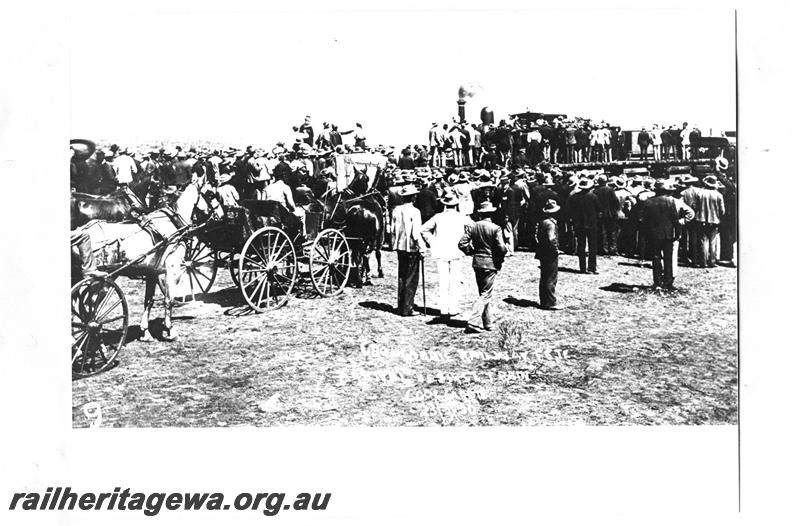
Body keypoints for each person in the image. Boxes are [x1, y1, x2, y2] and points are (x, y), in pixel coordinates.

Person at [420, 189, 471, 318]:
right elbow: (474, 228)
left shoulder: (438, 217)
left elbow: (423, 229)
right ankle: (453, 308)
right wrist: (467, 241)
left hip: (441, 252)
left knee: (443, 281)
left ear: (444, 204)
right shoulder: (462, 217)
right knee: (454, 280)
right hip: (457, 251)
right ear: (456, 204)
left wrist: (432, 242)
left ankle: (443, 309)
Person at [458, 200, 507, 333]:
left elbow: (462, 244)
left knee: (483, 292)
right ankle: (473, 322)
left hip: (477, 262)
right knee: (486, 294)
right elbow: (502, 248)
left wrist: (471, 252)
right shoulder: (496, 228)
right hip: (490, 263)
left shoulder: (473, 226)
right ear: (491, 213)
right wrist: (501, 255)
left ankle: (487, 322)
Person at [641, 180, 695, 289]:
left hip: (654, 234)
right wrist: (678, 231)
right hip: (668, 234)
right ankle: (668, 282)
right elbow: (674, 219)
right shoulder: (671, 201)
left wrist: (647, 233)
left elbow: (645, 220)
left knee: (656, 257)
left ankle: (657, 282)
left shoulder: (648, 202)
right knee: (668, 258)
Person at [391, 185, 426, 316]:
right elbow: (416, 233)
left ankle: (401, 306)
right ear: (413, 197)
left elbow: (392, 229)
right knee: (411, 278)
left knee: (402, 275)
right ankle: (407, 308)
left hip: (400, 246)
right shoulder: (415, 211)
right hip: (411, 247)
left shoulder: (396, 210)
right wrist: (421, 247)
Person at [567, 178, 600, 274]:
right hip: (591, 224)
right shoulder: (593, 197)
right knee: (592, 246)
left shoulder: (574, 197)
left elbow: (570, 210)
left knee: (581, 246)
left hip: (579, 224)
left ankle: (582, 268)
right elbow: (599, 209)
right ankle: (592, 268)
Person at [536, 199, 562, 310]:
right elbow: (551, 238)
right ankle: (550, 302)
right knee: (551, 277)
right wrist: (556, 249)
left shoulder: (543, 222)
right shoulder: (551, 224)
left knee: (544, 276)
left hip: (543, 251)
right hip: (550, 252)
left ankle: (544, 301)